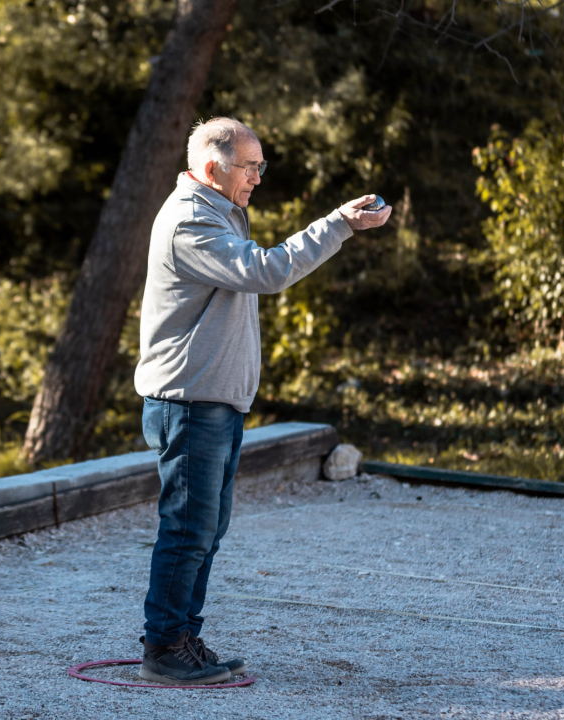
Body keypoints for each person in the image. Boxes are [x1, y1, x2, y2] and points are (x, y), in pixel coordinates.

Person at [133, 117, 392, 684]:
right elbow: (265, 271)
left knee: (206, 529)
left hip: (215, 402)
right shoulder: (189, 223)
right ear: (212, 168)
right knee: (187, 528)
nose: (257, 178)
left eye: (259, 166)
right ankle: (164, 649)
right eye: (250, 167)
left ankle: (183, 638)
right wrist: (338, 225)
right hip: (189, 402)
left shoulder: (219, 213)